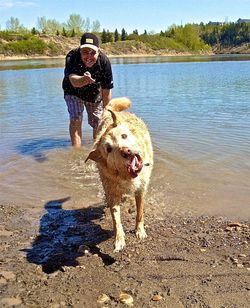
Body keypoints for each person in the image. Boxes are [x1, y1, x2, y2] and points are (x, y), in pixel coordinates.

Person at [62, 33, 113, 147]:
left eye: (92, 52)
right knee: (76, 119)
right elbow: (73, 80)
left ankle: (97, 150)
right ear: (80, 51)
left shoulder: (104, 62)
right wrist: (84, 80)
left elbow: (106, 90)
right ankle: (76, 152)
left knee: (98, 122)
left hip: (93, 93)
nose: (89, 56)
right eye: (85, 52)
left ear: (98, 51)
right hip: (73, 91)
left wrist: (108, 112)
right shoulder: (72, 56)